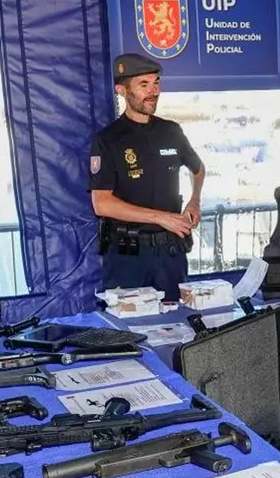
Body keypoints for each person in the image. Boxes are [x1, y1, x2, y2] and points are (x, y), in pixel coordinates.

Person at [88, 53, 205, 302]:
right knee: (130, 322)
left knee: (178, 320)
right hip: (128, 257)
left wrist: (195, 200)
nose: (154, 92)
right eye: (144, 85)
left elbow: (198, 168)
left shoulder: (171, 131)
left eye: (156, 82)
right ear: (122, 90)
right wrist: (161, 217)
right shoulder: (107, 140)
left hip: (170, 254)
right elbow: (102, 204)